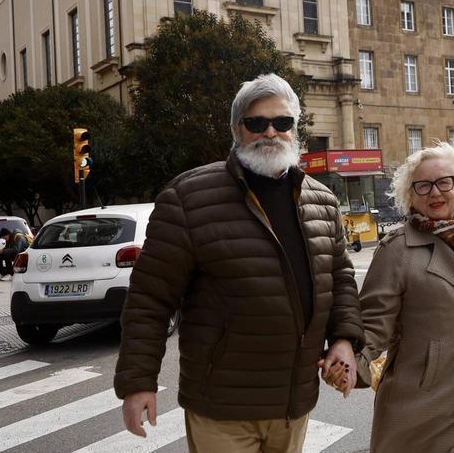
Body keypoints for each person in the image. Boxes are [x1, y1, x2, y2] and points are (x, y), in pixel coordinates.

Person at [115, 73, 364, 452]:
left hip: (293, 404)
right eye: (256, 123)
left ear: (296, 129)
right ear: (236, 129)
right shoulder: (187, 197)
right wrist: (138, 383)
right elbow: (149, 300)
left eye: (282, 123)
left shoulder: (322, 200)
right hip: (223, 406)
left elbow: (341, 279)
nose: (270, 132)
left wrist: (344, 340)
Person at [340, 141, 454, 452]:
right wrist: (352, 362)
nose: (435, 192)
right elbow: (373, 323)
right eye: (423, 185)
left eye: (444, 181)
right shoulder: (397, 250)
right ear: (410, 195)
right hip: (423, 399)